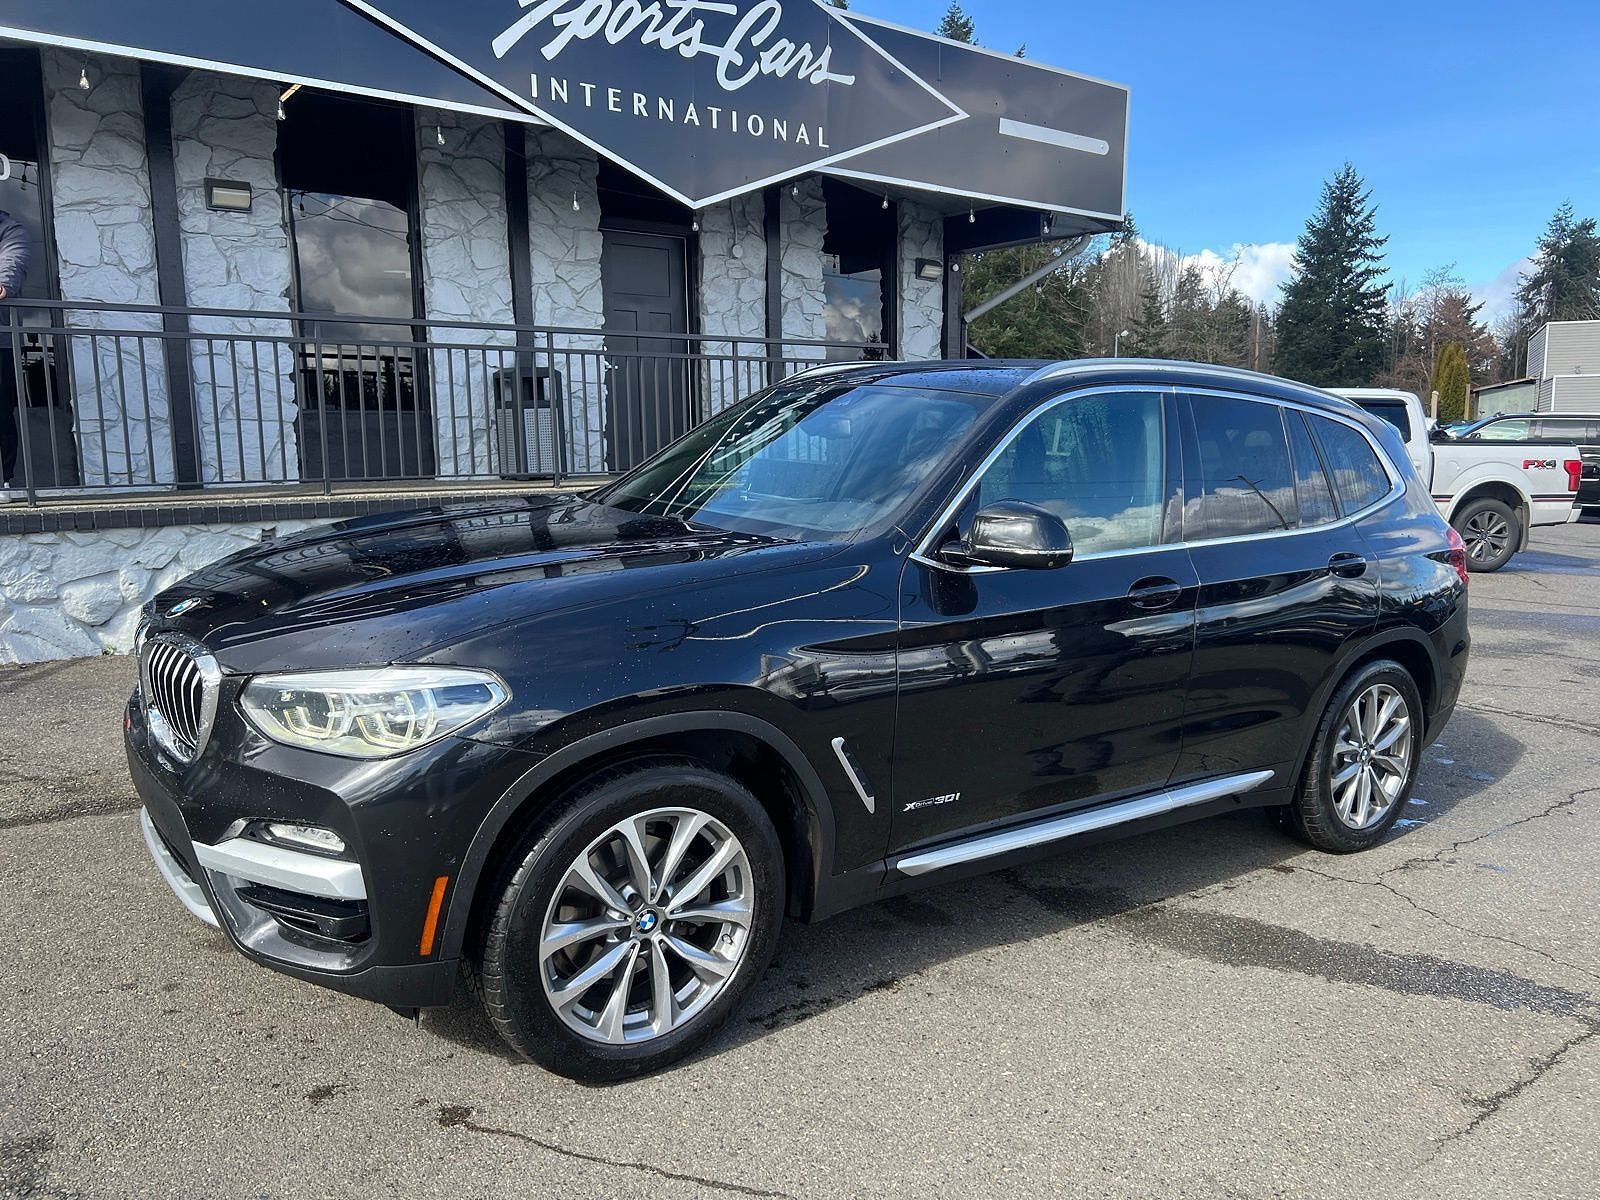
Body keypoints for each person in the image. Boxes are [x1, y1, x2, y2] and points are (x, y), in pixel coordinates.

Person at [0, 206, 30, 493]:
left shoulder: (9, 229)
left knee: (1, 414)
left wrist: (4, 283)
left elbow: (14, 259)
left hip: (2, 340)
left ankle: (7, 479)